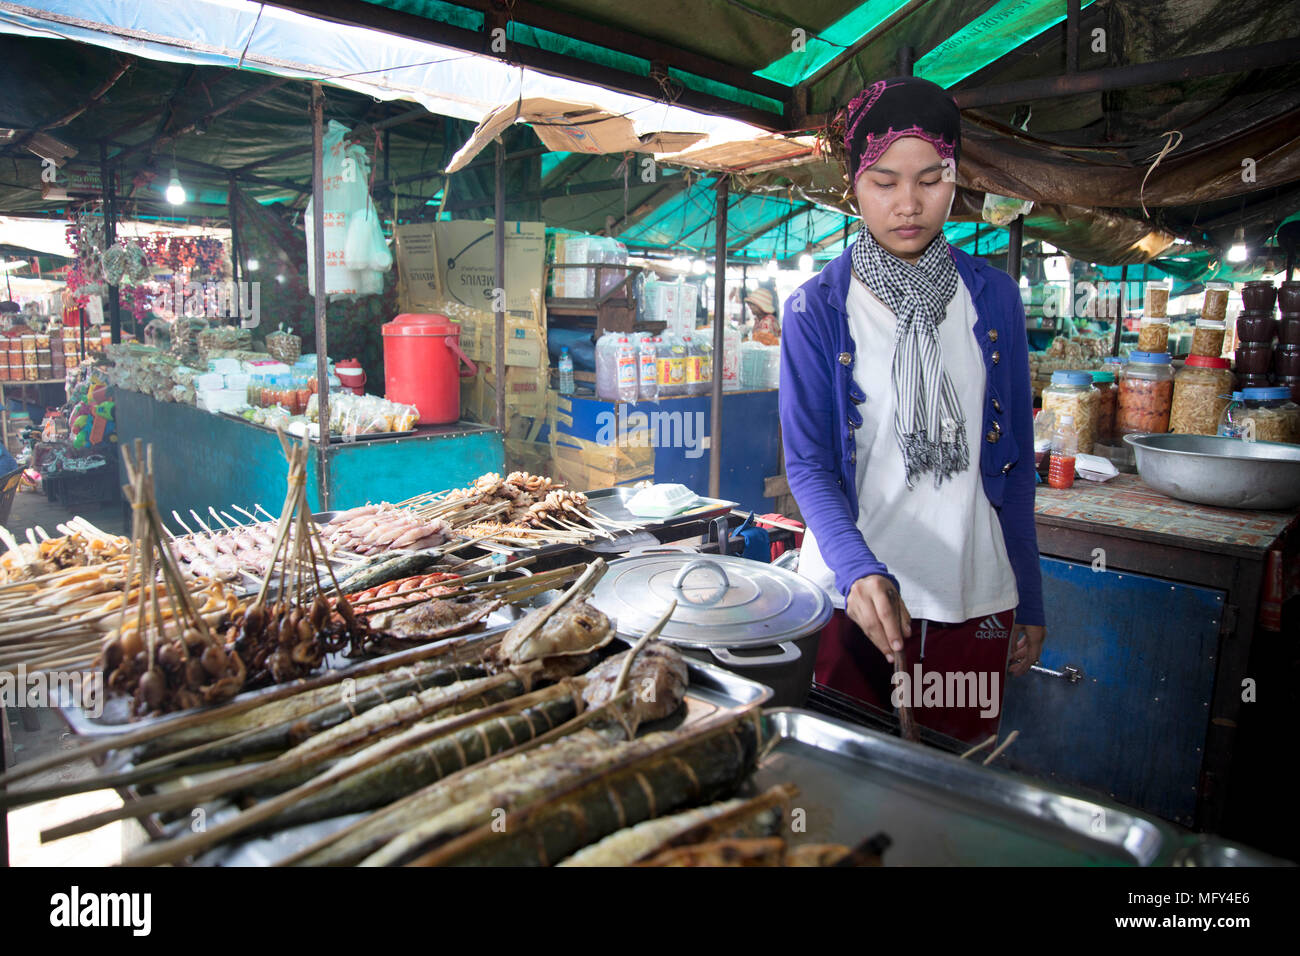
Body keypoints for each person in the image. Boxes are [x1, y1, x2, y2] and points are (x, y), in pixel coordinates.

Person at [779, 76, 1045, 744]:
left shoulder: (994, 300)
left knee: (956, 791)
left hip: (972, 593)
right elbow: (809, 465)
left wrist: (1030, 596)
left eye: (931, 179)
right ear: (854, 185)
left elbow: (1014, 465)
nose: (909, 204)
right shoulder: (818, 311)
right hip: (854, 598)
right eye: (884, 181)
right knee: (850, 790)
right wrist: (860, 569)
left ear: (956, 177)